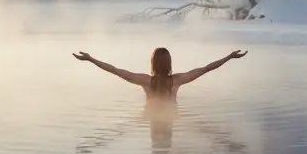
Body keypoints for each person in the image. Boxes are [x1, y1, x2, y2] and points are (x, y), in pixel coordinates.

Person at [72, 47, 247, 100]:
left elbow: (116, 71)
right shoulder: (177, 80)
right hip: (172, 117)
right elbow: (206, 68)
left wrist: (91, 59)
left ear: (152, 63)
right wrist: (229, 57)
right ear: (169, 63)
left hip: (151, 116)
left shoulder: (146, 81)